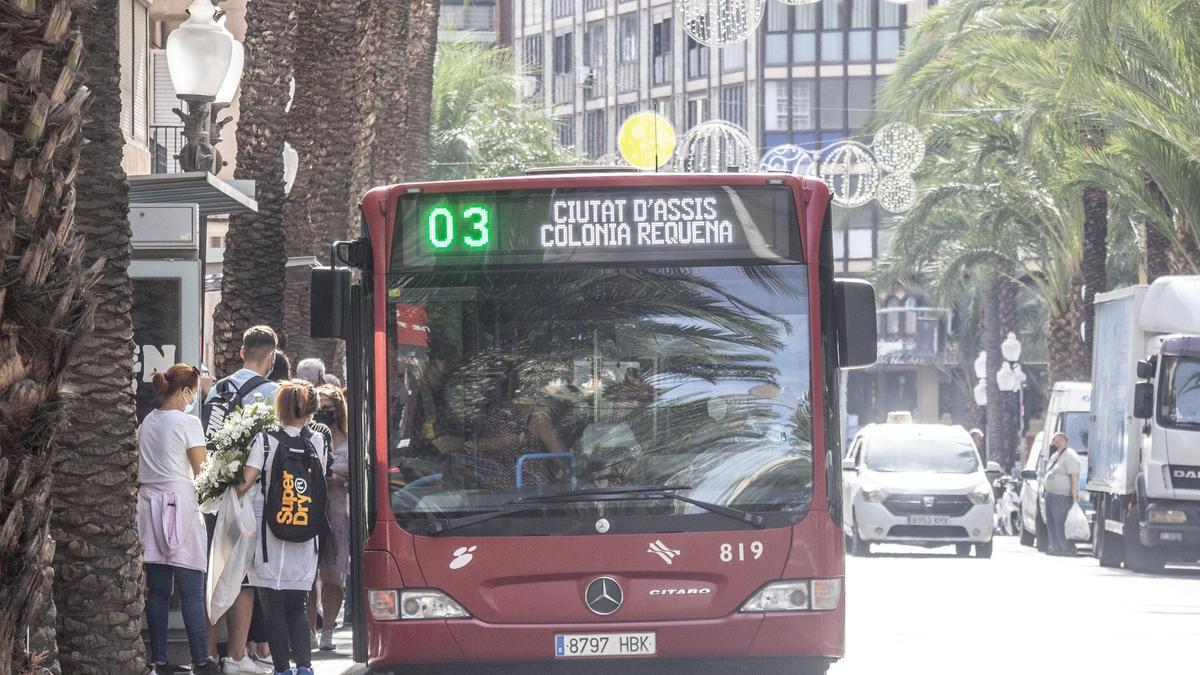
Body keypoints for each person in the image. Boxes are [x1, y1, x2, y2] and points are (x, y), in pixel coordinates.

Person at [235, 380, 328, 675]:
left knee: (272, 606)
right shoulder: (319, 442)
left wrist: (223, 481)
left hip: (269, 535)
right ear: (311, 409)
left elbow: (245, 484)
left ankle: (281, 669)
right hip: (304, 530)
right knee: (297, 605)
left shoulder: (265, 441)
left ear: (280, 406)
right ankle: (304, 667)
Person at [205, 326, 280, 674]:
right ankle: (236, 656)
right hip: (250, 497)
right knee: (244, 578)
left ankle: (206, 652)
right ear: (272, 356)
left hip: (212, 495)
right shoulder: (272, 393)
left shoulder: (216, 390)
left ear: (241, 352)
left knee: (215, 572)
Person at [137, 365, 221, 675]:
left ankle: (159, 660)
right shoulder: (188, 422)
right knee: (190, 589)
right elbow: (202, 471)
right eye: (194, 393)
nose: (193, 400)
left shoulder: (147, 422)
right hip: (180, 505)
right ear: (185, 391)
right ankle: (201, 659)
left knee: (158, 590)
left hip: (148, 506)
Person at [309, 386, 349, 651]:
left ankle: (328, 629)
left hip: (338, 510)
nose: (324, 413)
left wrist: (341, 479)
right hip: (311, 507)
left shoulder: (349, 437)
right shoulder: (308, 435)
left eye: (329, 408)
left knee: (334, 572)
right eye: (320, 407)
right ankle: (309, 629)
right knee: (309, 574)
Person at [1043, 431, 1082, 556]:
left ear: (1065, 440)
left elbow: (1074, 476)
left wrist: (1074, 495)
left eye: (1058, 439)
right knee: (1051, 522)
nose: (1055, 442)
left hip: (1062, 495)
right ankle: (1055, 547)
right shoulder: (1055, 455)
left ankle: (1066, 548)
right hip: (1051, 494)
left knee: (1061, 523)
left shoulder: (1070, 455)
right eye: (1054, 440)